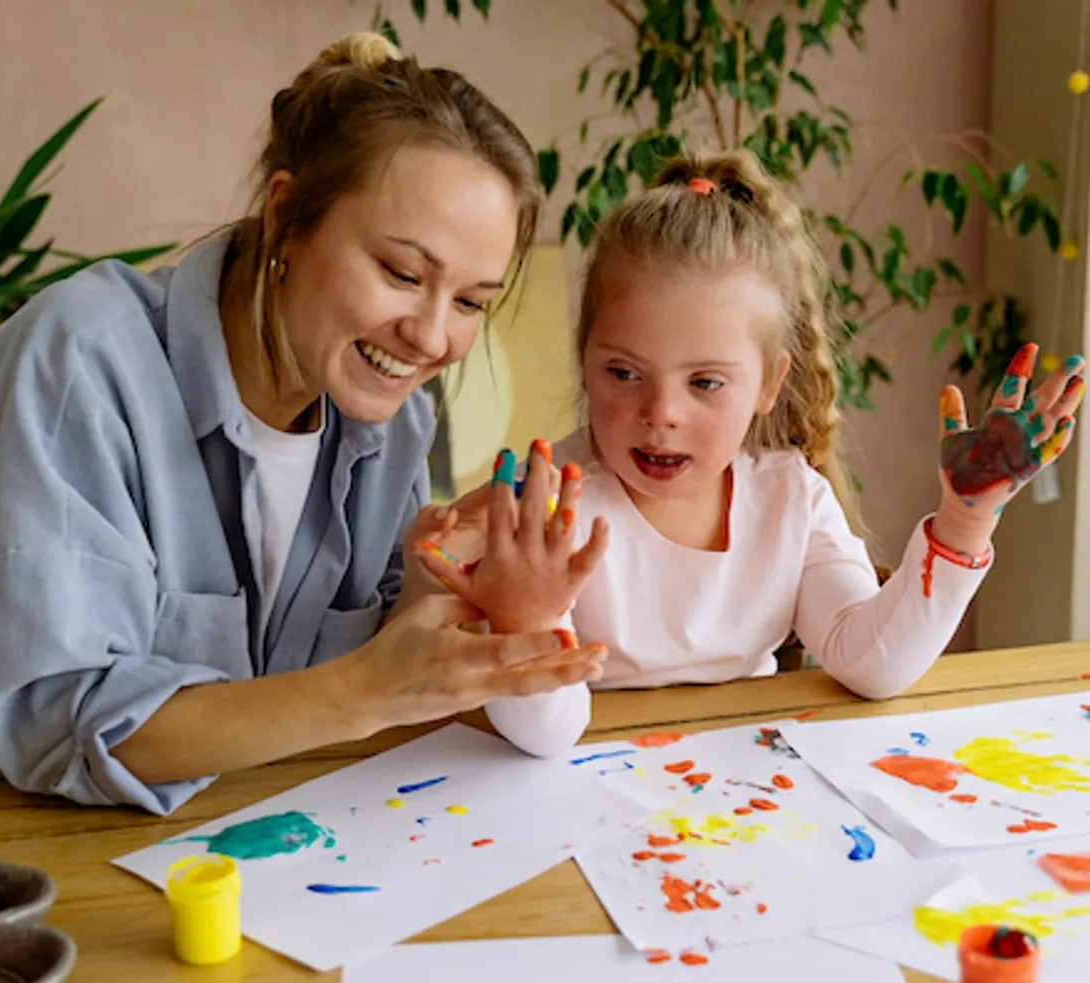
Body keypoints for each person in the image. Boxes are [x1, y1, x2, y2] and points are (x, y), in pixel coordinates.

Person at [0, 32, 608, 815]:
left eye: (471, 302)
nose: (429, 336)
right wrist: (372, 686)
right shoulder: (81, 359)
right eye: (402, 273)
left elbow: (354, 684)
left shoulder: (395, 422)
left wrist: (436, 590)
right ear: (286, 216)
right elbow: (60, 723)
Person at [419, 151, 1085, 755]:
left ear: (769, 383)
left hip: (744, 809)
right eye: (624, 372)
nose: (661, 413)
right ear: (584, 361)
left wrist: (965, 521)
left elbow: (870, 662)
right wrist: (523, 616)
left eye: (705, 382)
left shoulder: (792, 500)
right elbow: (548, 730)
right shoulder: (547, 508)